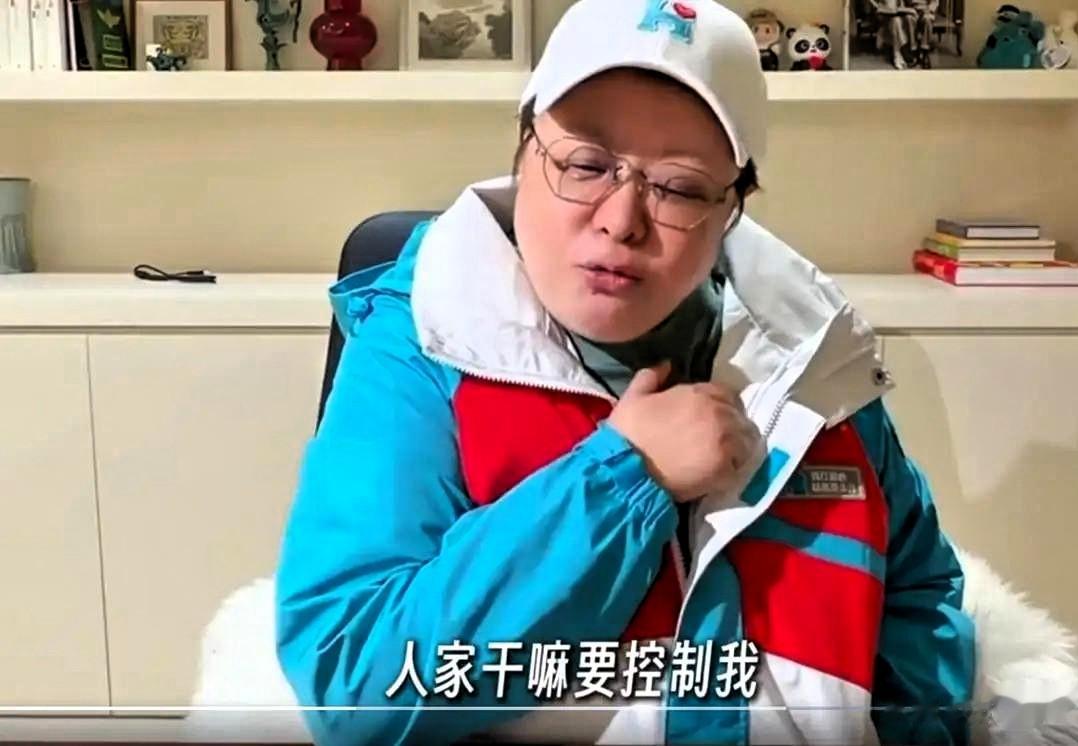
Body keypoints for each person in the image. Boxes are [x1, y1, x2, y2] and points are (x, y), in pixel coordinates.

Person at [274, 0, 976, 744]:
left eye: (680, 187)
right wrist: (626, 476)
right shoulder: (421, 350)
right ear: (523, 154)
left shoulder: (813, 361)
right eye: (585, 165)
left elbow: (918, 599)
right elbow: (354, 681)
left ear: (732, 207)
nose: (621, 220)